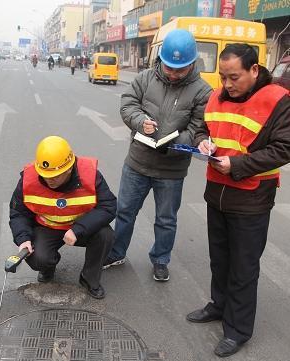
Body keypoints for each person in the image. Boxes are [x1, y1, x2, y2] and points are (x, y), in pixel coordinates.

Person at [186, 44, 290, 357]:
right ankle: (218, 306)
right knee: (219, 260)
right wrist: (201, 141)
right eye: (222, 76)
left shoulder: (277, 100)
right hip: (216, 193)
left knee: (243, 268)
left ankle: (238, 330)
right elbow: (203, 127)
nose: (227, 84)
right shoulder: (216, 96)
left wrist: (238, 165)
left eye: (234, 77)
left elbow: (284, 148)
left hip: (251, 199)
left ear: (254, 70)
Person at [103, 29, 212, 281]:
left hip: (171, 170)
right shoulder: (145, 78)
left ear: (192, 63)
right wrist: (140, 122)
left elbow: (199, 129)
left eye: (180, 69)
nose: (173, 74)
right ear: (161, 60)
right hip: (137, 162)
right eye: (169, 67)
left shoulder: (202, 91)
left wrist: (173, 142)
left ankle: (161, 259)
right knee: (125, 211)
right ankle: (117, 252)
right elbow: (128, 104)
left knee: (165, 219)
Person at [9, 136, 116, 299]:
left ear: (69, 168)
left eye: (56, 175)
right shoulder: (28, 178)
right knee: (38, 258)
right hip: (47, 227)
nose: (49, 180)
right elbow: (18, 213)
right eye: (45, 175)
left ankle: (89, 278)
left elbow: (108, 206)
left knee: (105, 235)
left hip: (79, 226)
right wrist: (23, 238)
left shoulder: (89, 174)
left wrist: (79, 229)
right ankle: (48, 266)